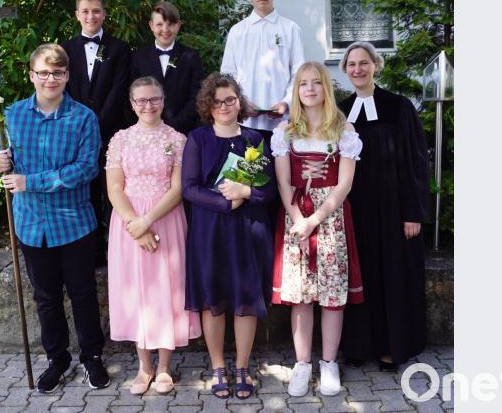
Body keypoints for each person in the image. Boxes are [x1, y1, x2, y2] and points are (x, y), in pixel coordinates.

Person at [0, 43, 110, 393]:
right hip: (31, 224)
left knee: (82, 293)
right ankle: (57, 359)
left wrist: (31, 181)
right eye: (43, 72)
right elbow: (6, 161)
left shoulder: (84, 118)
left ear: (67, 76)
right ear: (32, 75)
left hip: (73, 223)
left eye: (57, 73)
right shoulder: (12, 115)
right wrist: (0, 162)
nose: (50, 79)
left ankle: (92, 357)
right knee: (45, 297)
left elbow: (86, 169)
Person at [269, 62, 364, 396]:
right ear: (296, 91)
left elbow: (344, 185)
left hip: (330, 218)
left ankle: (328, 362)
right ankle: (302, 363)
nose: (309, 89)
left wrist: (315, 219)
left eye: (316, 83)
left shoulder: (344, 130)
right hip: (296, 217)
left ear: (326, 88)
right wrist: (298, 218)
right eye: (303, 84)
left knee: (332, 295)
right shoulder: (285, 131)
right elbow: (283, 181)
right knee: (301, 296)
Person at [105, 76, 203, 395]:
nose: (148, 106)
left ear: (163, 100)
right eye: (141, 101)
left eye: (154, 99)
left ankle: (163, 366)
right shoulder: (120, 139)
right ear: (132, 104)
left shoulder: (177, 140)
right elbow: (115, 187)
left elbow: (178, 188)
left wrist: (148, 220)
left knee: (165, 288)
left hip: (165, 219)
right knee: (136, 289)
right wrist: (135, 223)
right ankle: (142, 366)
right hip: (128, 224)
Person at [182, 72, 277, 400]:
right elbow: (189, 188)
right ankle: (219, 367)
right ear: (208, 105)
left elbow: (268, 190)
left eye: (230, 100)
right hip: (209, 230)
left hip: (248, 229)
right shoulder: (197, 138)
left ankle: (243, 367)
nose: (224, 106)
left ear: (240, 103)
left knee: (245, 299)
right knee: (213, 299)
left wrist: (245, 191)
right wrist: (226, 201)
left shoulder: (256, 139)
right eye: (218, 101)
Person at [336, 41, 430, 371]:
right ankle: (359, 346)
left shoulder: (399, 107)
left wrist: (413, 212)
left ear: (376, 65)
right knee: (360, 275)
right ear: (345, 70)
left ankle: (392, 345)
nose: (358, 69)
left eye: (364, 63)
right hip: (355, 208)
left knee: (392, 274)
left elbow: (416, 162)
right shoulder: (340, 111)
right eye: (351, 64)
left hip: (393, 209)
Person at [60, 0, 131, 267]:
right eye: (85, 11)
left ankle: (118, 250)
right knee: (85, 193)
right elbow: (63, 89)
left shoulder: (119, 49)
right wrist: (82, 127)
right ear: (77, 14)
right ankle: (90, 252)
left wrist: (98, 124)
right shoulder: (65, 49)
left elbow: (120, 88)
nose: (91, 16)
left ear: (104, 13)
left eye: (96, 11)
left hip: (112, 131)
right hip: (77, 135)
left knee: (113, 191)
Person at [220, 0, 305, 146]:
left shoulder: (290, 29)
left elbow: (298, 73)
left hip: (281, 122)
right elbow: (228, 74)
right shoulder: (237, 31)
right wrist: (241, 101)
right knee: (247, 173)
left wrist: (286, 103)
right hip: (244, 121)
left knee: (281, 173)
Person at [130, 1, 203, 135]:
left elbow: (196, 95)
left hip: (184, 130)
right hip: (147, 130)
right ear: (151, 25)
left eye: (170, 24)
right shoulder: (138, 56)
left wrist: (176, 126)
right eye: (160, 24)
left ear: (179, 25)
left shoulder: (191, 56)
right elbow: (133, 94)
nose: (165, 29)